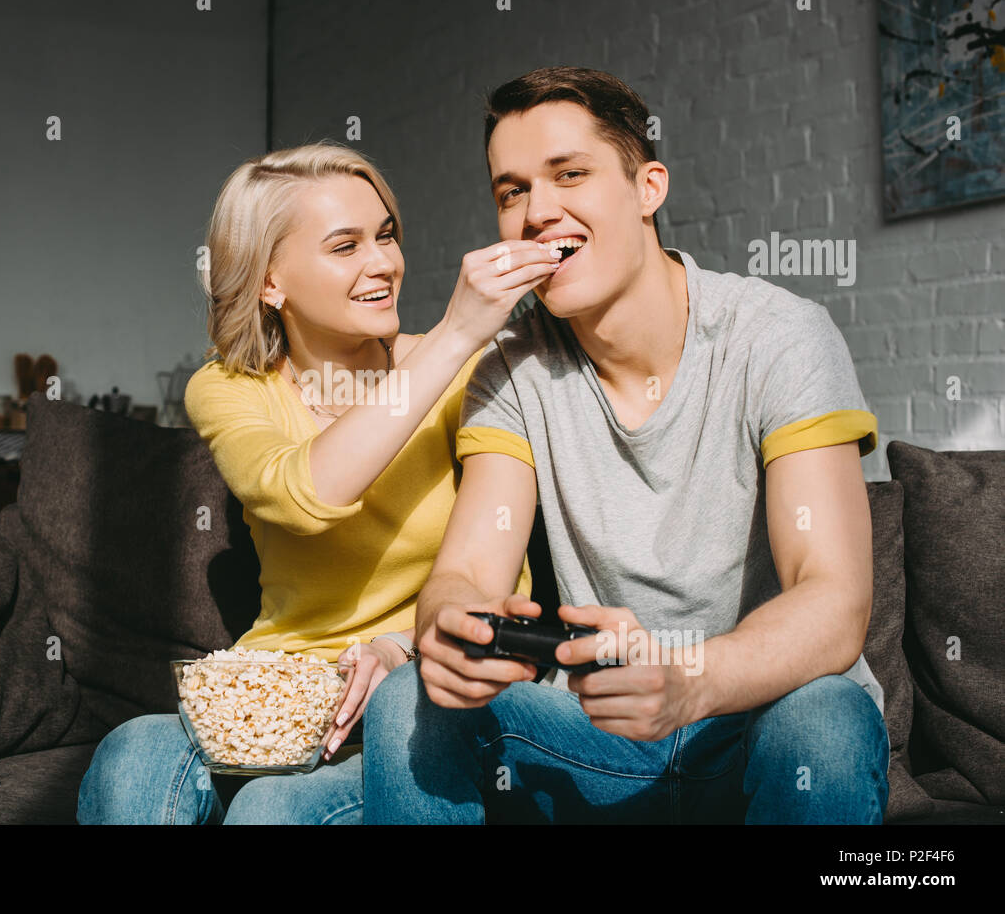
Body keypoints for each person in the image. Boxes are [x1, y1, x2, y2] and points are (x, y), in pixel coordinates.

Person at [362, 66, 890, 824]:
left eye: (569, 174)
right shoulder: (511, 365)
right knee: (407, 698)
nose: (538, 212)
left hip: (754, 726)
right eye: (512, 191)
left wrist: (688, 678)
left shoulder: (779, 338)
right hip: (594, 738)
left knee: (826, 717)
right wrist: (447, 627)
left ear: (648, 187)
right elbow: (470, 568)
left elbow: (834, 600)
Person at [77, 141, 555, 824]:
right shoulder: (227, 387)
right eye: (345, 246)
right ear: (271, 282)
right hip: (278, 691)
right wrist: (457, 333)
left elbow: (496, 573)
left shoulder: (463, 373)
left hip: (413, 692)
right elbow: (307, 495)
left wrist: (400, 649)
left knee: (270, 813)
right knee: (131, 756)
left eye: (386, 235)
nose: (383, 263)